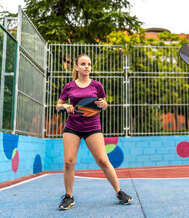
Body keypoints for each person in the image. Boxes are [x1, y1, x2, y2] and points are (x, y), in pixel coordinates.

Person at [56, 54, 133, 210]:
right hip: (72, 127)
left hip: (92, 128)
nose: (86, 67)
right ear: (76, 67)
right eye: (83, 64)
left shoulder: (97, 85)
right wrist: (65, 107)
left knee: (103, 161)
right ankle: (69, 197)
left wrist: (103, 103)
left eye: (89, 64)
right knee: (68, 162)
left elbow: (104, 105)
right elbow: (58, 105)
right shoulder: (69, 87)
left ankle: (119, 192)